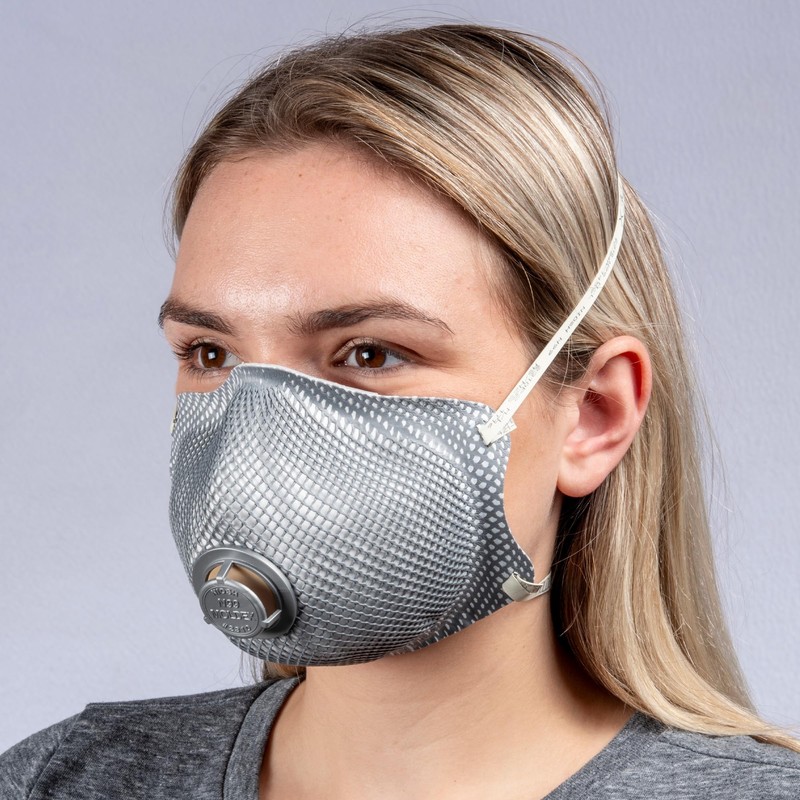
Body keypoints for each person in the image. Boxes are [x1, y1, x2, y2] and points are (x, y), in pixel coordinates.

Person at [2, 22, 798, 800]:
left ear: (594, 416)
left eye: (369, 354)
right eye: (211, 354)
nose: (257, 445)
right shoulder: (62, 779)